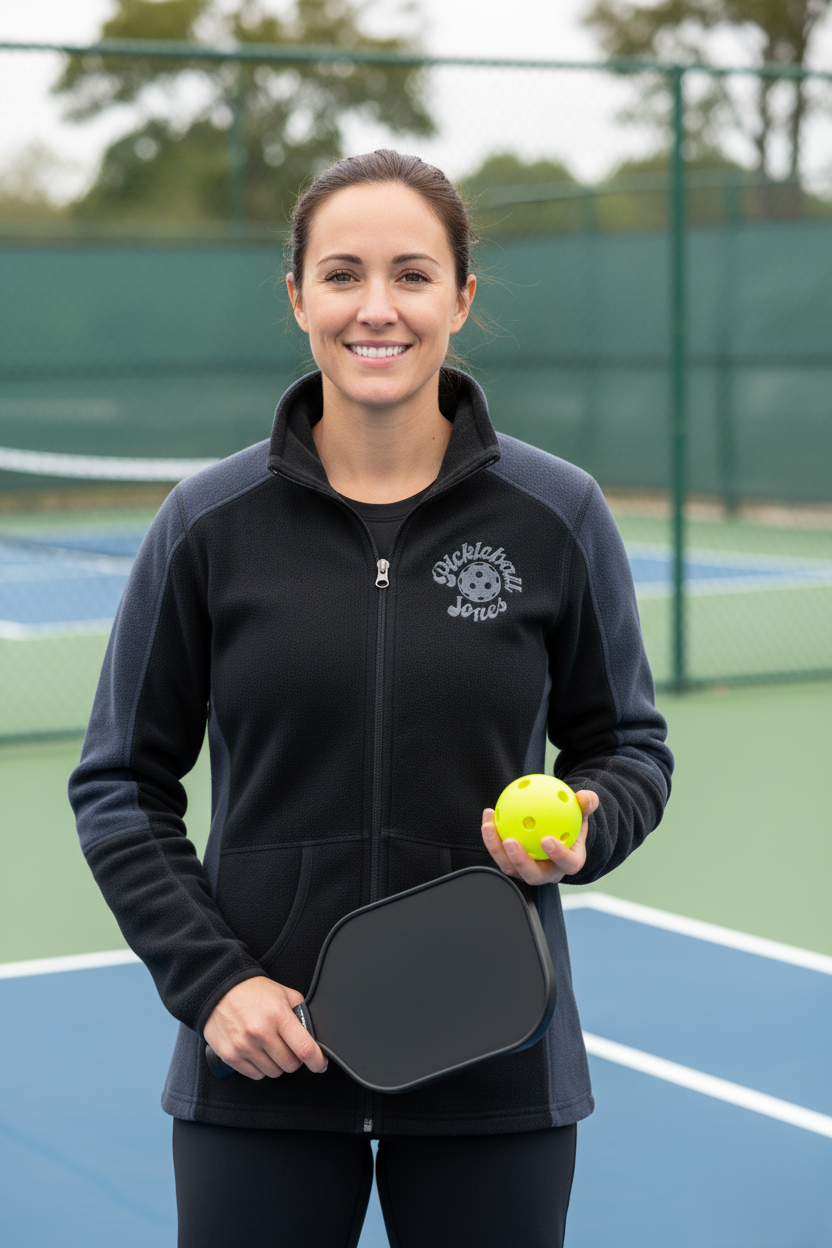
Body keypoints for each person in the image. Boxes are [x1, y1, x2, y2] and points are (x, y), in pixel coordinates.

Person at [69, 148, 672, 1248]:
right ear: (297, 295)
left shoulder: (558, 512)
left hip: (491, 1056)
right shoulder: (207, 522)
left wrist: (591, 824)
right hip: (264, 1063)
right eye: (342, 275)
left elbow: (628, 746)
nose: (376, 309)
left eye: (411, 273)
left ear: (461, 298)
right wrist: (214, 988)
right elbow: (120, 784)